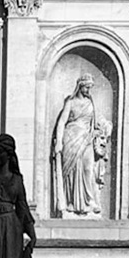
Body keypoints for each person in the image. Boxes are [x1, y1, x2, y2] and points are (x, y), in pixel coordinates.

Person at [51, 75, 104, 216]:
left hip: (87, 138)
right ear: (80, 86)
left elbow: (97, 120)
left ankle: (90, 201)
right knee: (72, 171)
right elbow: (62, 122)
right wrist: (59, 142)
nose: (88, 90)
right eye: (86, 87)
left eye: (90, 87)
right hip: (71, 138)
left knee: (88, 168)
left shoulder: (91, 103)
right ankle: (71, 203)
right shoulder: (71, 102)